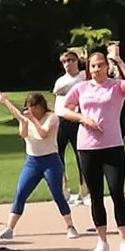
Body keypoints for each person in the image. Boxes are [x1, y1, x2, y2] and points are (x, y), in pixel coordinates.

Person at [56, 41, 125, 251]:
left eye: (100, 65)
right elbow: (64, 109)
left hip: (112, 146)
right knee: (96, 196)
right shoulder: (81, 88)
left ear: (106, 67)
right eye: (93, 66)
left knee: (116, 193)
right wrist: (82, 118)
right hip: (87, 148)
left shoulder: (116, 86)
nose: (96, 69)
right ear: (89, 69)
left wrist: (119, 60)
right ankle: (102, 242)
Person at [0, 92, 79, 241]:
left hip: (51, 161)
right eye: (29, 107)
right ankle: (10, 227)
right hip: (32, 162)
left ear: (42, 107)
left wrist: (32, 119)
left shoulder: (51, 118)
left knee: (57, 194)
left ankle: (70, 226)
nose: (32, 110)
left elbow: (43, 134)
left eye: (35, 107)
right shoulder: (26, 118)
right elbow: (23, 131)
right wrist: (6, 102)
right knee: (21, 193)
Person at [52, 47, 85, 189]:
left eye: (71, 60)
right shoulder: (60, 81)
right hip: (61, 119)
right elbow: (56, 92)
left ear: (77, 61)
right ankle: (64, 186)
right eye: (65, 61)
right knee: (58, 154)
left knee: (81, 154)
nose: (67, 64)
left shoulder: (84, 76)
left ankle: (84, 187)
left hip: (78, 119)